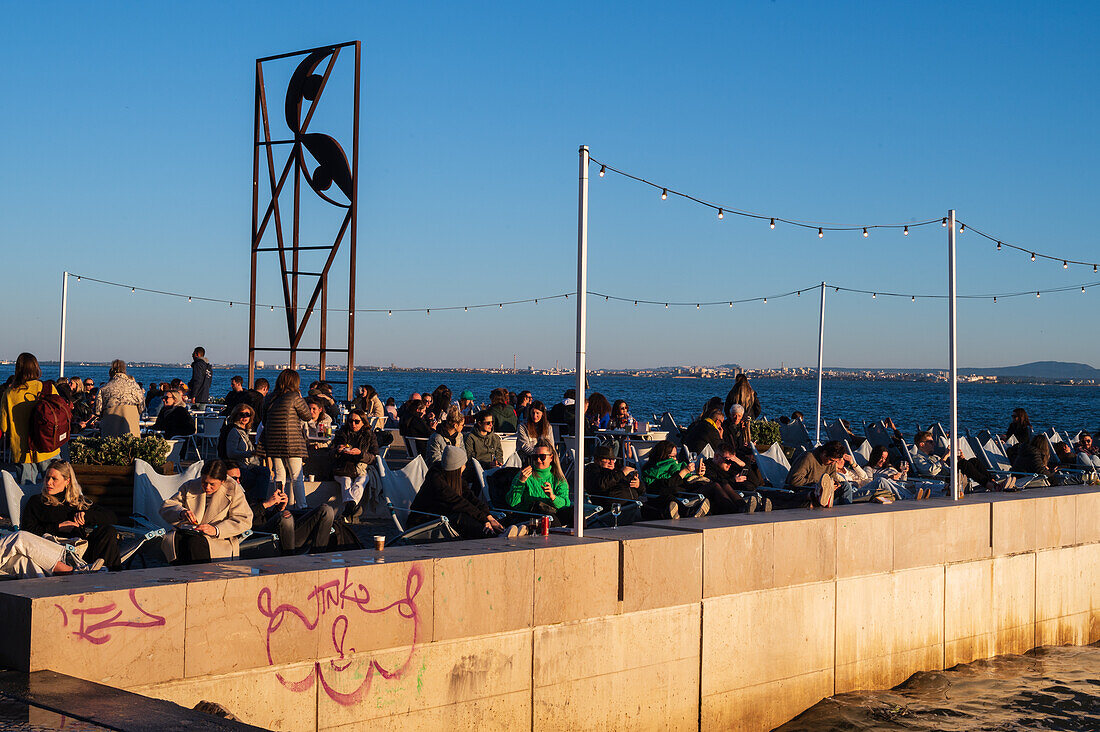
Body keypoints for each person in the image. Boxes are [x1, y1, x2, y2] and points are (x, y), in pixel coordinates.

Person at [21, 460, 122, 571]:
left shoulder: (77, 502)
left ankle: (109, 574)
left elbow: (112, 517)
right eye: (47, 478)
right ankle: (106, 574)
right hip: (55, 553)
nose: (48, 482)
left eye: (54, 479)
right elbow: (26, 533)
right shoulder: (37, 502)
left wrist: (86, 515)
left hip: (81, 552)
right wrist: (58, 527)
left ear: (67, 481)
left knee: (108, 531)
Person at [409, 446, 519, 539]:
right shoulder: (436, 481)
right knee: (462, 517)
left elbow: (470, 497)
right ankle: (495, 535)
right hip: (423, 521)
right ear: (456, 467)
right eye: (463, 464)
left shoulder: (453, 477)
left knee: (482, 514)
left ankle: (506, 528)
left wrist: (488, 516)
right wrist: (483, 519)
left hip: (444, 515)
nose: (465, 467)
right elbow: (459, 503)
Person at [226, 462, 334, 555]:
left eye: (240, 478)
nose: (239, 482)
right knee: (286, 517)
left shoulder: (244, 493)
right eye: (234, 478)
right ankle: (289, 561)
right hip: (260, 534)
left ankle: (319, 557)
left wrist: (279, 508)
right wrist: (266, 504)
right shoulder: (225, 499)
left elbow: (265, 516)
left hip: (282, 532)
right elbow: (244, 518)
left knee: (326, 510)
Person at [159, 460, 253, 565]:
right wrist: (181, 512)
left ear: (222, 481)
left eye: (212, 484)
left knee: (194, 544)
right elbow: (167, 507)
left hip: (217, 541)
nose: (207, 487)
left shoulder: (233, 489)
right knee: (177, 540)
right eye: (204, 482)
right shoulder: (191, 486)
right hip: (188, 534)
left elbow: (244, 519)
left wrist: (216, 529)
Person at [0, 353, 61, 483]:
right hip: (48, 446)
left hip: (23, 451)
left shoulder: (9, 394)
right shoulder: (48, 388)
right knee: (56, 488)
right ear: (36, 367)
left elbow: (3, 426)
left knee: (26, 492)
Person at [260, 369, 311, 508]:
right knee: (297, 477)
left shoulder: (269, 397)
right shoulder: (294, 397)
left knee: (279, 476)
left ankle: (279, 505)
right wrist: (301, 397)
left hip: (273, 442)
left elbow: (264, 421)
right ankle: (302, 506)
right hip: (292, 443)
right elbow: (307, 415)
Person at [912, 431, 1011, 493]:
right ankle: (991, 486)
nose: (934, 444)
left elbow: (946, 466)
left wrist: (960, 460)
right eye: (931, 442)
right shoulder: (918, 458)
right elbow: (931, 471)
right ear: (922, 444)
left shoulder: (935, 457)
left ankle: (993, 483)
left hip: (950, 474)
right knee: (965, 464)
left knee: (973, 461)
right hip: (944, 479)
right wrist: (946, 456)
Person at [640, 440, 711, 519]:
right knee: (670, 499)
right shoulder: (652, 470)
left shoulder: (673, 468)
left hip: (681, 492)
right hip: (663, 496)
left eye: (675, 456)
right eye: (672, 456)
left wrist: (697, 474)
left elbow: (683, 481)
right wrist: (684, 471)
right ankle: (690, 513)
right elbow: (668, 484)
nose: (675, 459)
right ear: (662, 456)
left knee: (711, 486)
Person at [508, 440, 572, 525]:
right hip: (529, 516)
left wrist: (552, 497)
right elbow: (512, 503)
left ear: (551, 458)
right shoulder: (524, 475)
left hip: (554, 514)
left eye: (542, 457)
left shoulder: (558, 478)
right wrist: (521, 482)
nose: (538, 460)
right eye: (535, 457)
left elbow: (565, 504)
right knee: (549, 519)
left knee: (576, 514)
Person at [217, 403, 270, 503]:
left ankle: (257, 501)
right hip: (236, 466)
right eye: (242, 414)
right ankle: (257, 502)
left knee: (264, 471)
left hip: (246, 465)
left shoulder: (243, 431)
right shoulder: (234, 431)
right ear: (236, 415)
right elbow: (231, 453)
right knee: (260, 475)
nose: (245, 417)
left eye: (248, 415)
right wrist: (251, 453)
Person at [331, 408, 379, 517]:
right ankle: (351, 506)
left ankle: (349, 507)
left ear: (363, 422)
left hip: (361, 468)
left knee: (361, 480)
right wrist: (338, 450)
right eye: (350, 421)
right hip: (342, 468)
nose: (353, 424)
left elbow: (374, 457)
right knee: (346, 481)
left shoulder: (370, 436)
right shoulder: (341, 433)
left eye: (357, 421)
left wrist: (361, 454)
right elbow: (331, 452)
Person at [584, 445, 644, 524]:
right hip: (614, 511)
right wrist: (621, 473)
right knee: (651, 519)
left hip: (634, 506)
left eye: (613, 459)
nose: (611, 462)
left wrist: (638, 485)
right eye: (607, 459)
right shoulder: (592, 471)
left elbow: (642, 491)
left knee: (659, 512)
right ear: (597, 460)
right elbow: (600, 485)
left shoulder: (617, 470)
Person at [785, 441, 847, 508]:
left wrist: (835, 484)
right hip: (804, 491)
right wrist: (819, 484)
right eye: (831, 460)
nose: (833, 463)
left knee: (846, 486)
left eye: (835, 461)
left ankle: (846, 513)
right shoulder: (808, 457)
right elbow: (794, 480)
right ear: (824, 453)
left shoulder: (831, 463)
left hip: (823, 491)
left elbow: (832, 477)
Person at [94, 359, 145, 437]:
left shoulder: (104, 387)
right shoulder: (135, 386)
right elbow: (142, 408)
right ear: (125, 370)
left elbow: (97, 411)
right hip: (130, 425)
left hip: (110, 426)